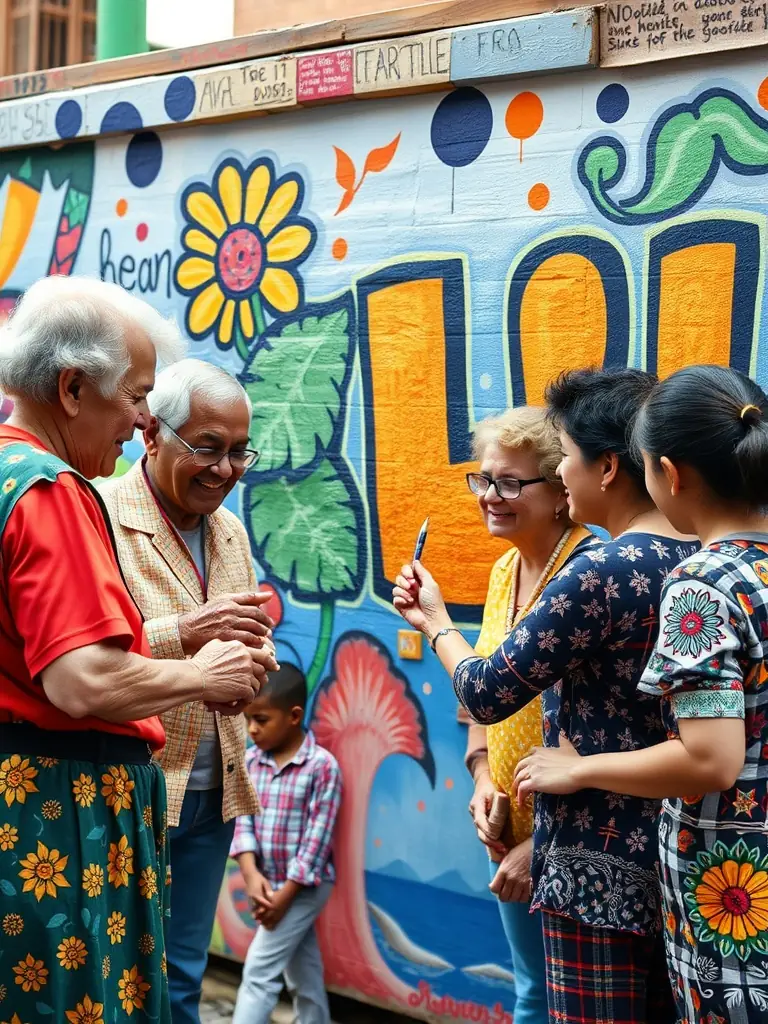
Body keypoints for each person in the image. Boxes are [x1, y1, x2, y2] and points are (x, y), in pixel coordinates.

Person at [0, 276, 276, 1024]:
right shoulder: (55, 491)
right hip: (62, 809)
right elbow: (82, 678)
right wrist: (197, 666)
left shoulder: (10, 471)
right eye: (134, 399)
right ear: (71, 389)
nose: (136, 421)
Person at [393, 367, 698, 1024]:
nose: (563, 475)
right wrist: (482, 769)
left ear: (608, 467)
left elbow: (485, 688)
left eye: (568, 460)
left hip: (593, 867)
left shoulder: (599, 571)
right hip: (675, 856)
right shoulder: (701, 562)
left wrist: (436, 624)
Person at [514, 365, 768, 1022]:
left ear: (670, 475)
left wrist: (579, 768)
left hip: (730, 887)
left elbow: (711, 758)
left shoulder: (704, 588)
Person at [100, 357, 274, 1024]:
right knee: (118, 971)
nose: (224, 470)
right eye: (206, 447)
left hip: (214, 788)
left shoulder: (229, 529)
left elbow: (256, 637)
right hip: (132, 785)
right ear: (150, 435)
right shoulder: (101, 516)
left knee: (181, 976)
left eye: (237, 452)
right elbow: (78, 658)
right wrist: (185, 632)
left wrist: (252, 673)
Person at [460, 407, 590, 1024]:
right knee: (531, 988)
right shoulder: (504, 568)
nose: (490, 496)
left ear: (562, 492)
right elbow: (482, 687)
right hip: (507, 826)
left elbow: (618, 730)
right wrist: (483, 776)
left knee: (567, 998)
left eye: (510, 483)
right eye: (483, 479)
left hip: (578, 836)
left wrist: (544, 843)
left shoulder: (588, 575)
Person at [230, 663, 341, 1024]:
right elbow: (241, 820)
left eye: (261, 719)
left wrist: (285, 895)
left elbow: (317, 840)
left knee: (259, 973)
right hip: (267, 884)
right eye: (248, 719)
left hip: (305, 887)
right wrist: (249, 873)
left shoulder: (322, 767)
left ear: (294, 716)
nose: (252, 729)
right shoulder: (249, 761)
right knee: (302, 970)